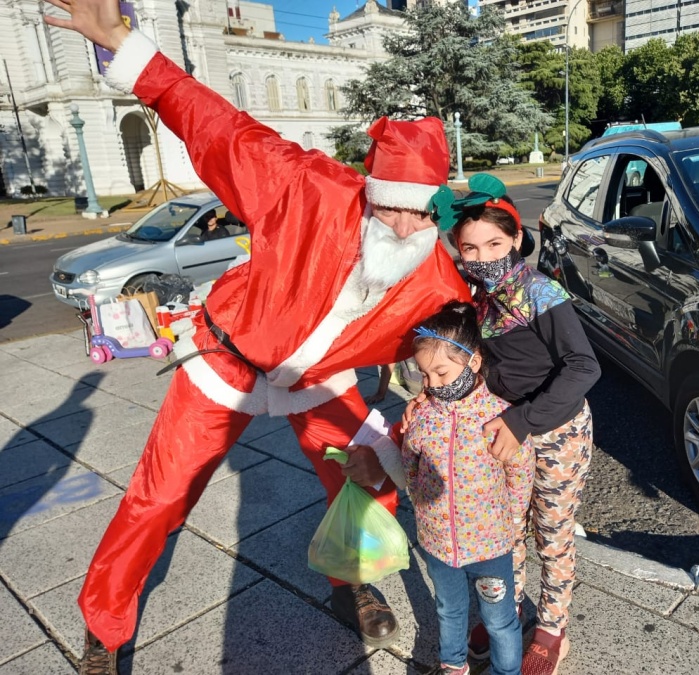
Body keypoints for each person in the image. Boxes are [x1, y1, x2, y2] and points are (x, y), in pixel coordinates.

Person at [43, 2, 471, 674]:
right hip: (227, 357)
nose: (405, 228)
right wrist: (123, 44)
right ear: (368, 191)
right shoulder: (305, 188)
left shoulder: (436, 273)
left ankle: (350, 580)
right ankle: (105, 622)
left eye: (421, 215)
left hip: (315, 378)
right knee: (158, 496)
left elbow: (472, 345)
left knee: (368, 472)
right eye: (391, 206)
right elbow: (216, 123)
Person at [404, 174, 601, 674]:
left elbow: (584, 366)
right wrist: (426, 397)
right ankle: (505, 612)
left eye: (495, 242)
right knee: (504, 527)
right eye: (469, 248)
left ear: (516, 238)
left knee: (551, 532)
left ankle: (552, 629)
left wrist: (525, 421)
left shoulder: (539, 292)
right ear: (458, 250)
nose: (483, 255)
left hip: (553, 432)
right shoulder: (475, 296)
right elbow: (455, 355)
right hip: (500, 429)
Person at [402, 301, 534, 675]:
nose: (433, 384)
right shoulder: (423, 416)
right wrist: (422, 508)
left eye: (442, 372)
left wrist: (512, 522)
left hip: (491, 543)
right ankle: (453, 665)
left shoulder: (498, 416)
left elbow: (520, 471)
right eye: (425, 375)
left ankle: (506, 671)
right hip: (439, 543)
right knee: (449, 609)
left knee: (500, 619)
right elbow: (410, 463)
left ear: (473, 363)